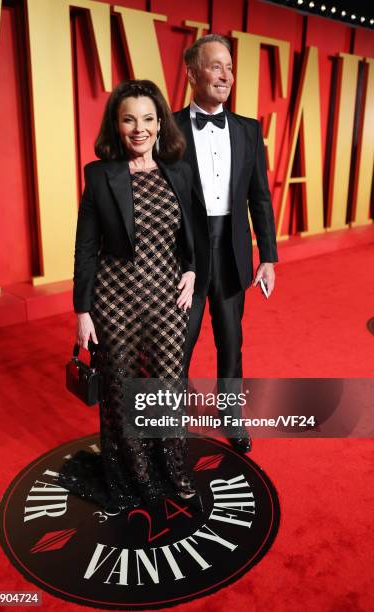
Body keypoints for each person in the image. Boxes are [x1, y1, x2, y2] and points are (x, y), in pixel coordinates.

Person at [58, 80, 199, 512]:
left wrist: (192, 269)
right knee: (121, 391)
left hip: (167, 297)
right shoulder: (100, 175)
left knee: (166, 388)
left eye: (148, 119)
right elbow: (85, 246)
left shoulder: (179, 169)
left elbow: (192, 233)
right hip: (114, 299)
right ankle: (130, 478)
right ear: (117, 126)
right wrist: (82, 310)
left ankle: (173, 471)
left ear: (161, 123)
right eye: (128, 120)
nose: (139, 129)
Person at [174, 35, 278, 454]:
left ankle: (230, 414)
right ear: (192, 73)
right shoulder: (169, 128)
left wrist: (268, 256)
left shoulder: (249, 130)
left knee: (231, 341)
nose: (225, 76)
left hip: (233, 253)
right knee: (179, 340)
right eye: (215, 66)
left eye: (229, 67)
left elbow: (260, 198)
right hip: (185, 259)